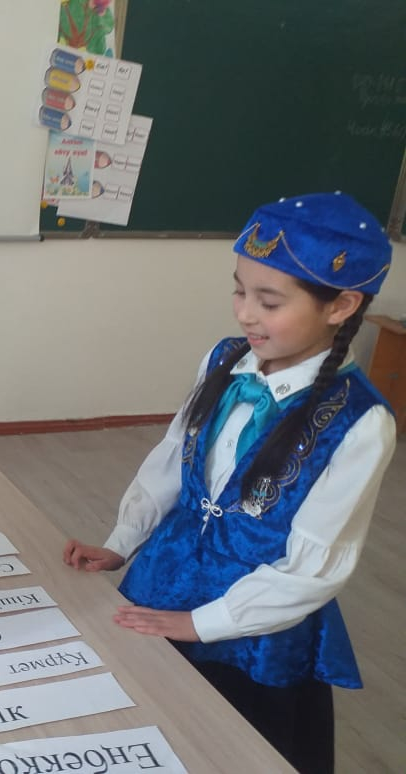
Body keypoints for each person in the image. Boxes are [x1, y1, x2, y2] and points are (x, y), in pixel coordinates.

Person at [62, 192, 396, 774]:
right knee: (144, 734)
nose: (245, 314)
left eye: (269, 301)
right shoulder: (223, 359)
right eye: (239, 291)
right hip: (163, 578)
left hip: (255, 626)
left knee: (233, 747)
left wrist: (201, 624)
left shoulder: (361, 422)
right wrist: (122, 541)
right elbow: (173, 459)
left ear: (341, 305)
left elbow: (314, 565)